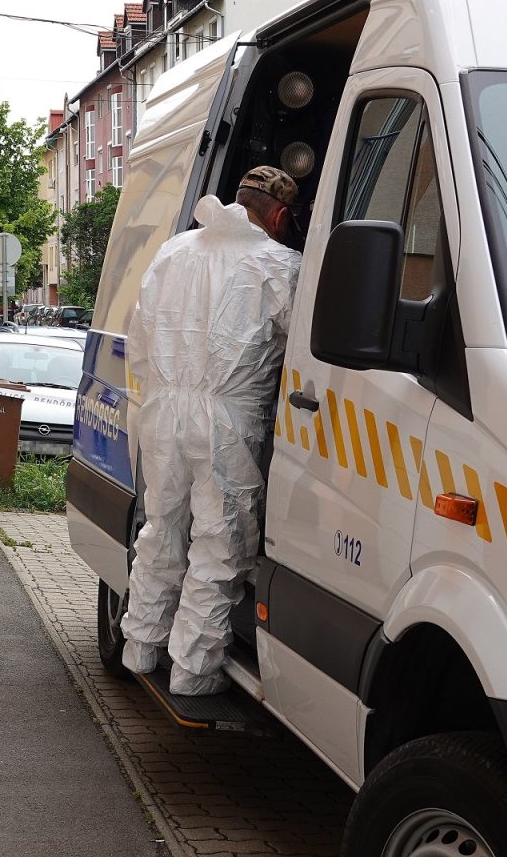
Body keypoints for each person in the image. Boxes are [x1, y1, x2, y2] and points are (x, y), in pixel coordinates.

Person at [120, 166, 303, 696]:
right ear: (280, 215)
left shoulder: (174, 251)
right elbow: (304, 353)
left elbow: (139, 335)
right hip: (228, 420)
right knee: (219, 543)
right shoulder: (281, 265)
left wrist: (162, 389)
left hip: (163, 409)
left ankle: (139, 646)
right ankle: (192, 673)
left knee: (161, 528)